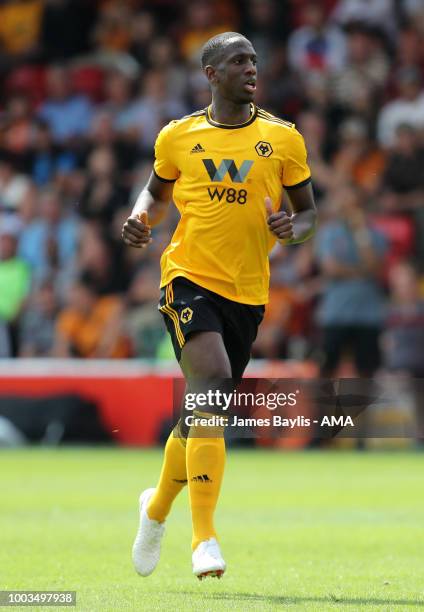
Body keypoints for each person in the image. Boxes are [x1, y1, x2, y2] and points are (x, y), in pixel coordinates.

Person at [122, 32, 316, 580]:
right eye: (238, 60)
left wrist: (292, 230)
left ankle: (155, 508)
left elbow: (307, 213)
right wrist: (140, 219)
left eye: (255, 59)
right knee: (209, 389)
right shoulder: (178, 136)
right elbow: (156, 195)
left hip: (248, 294)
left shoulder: (283, 139)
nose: (251, 67)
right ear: (211, 73)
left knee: (199, 415)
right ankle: (203, 538)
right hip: (187, 278)